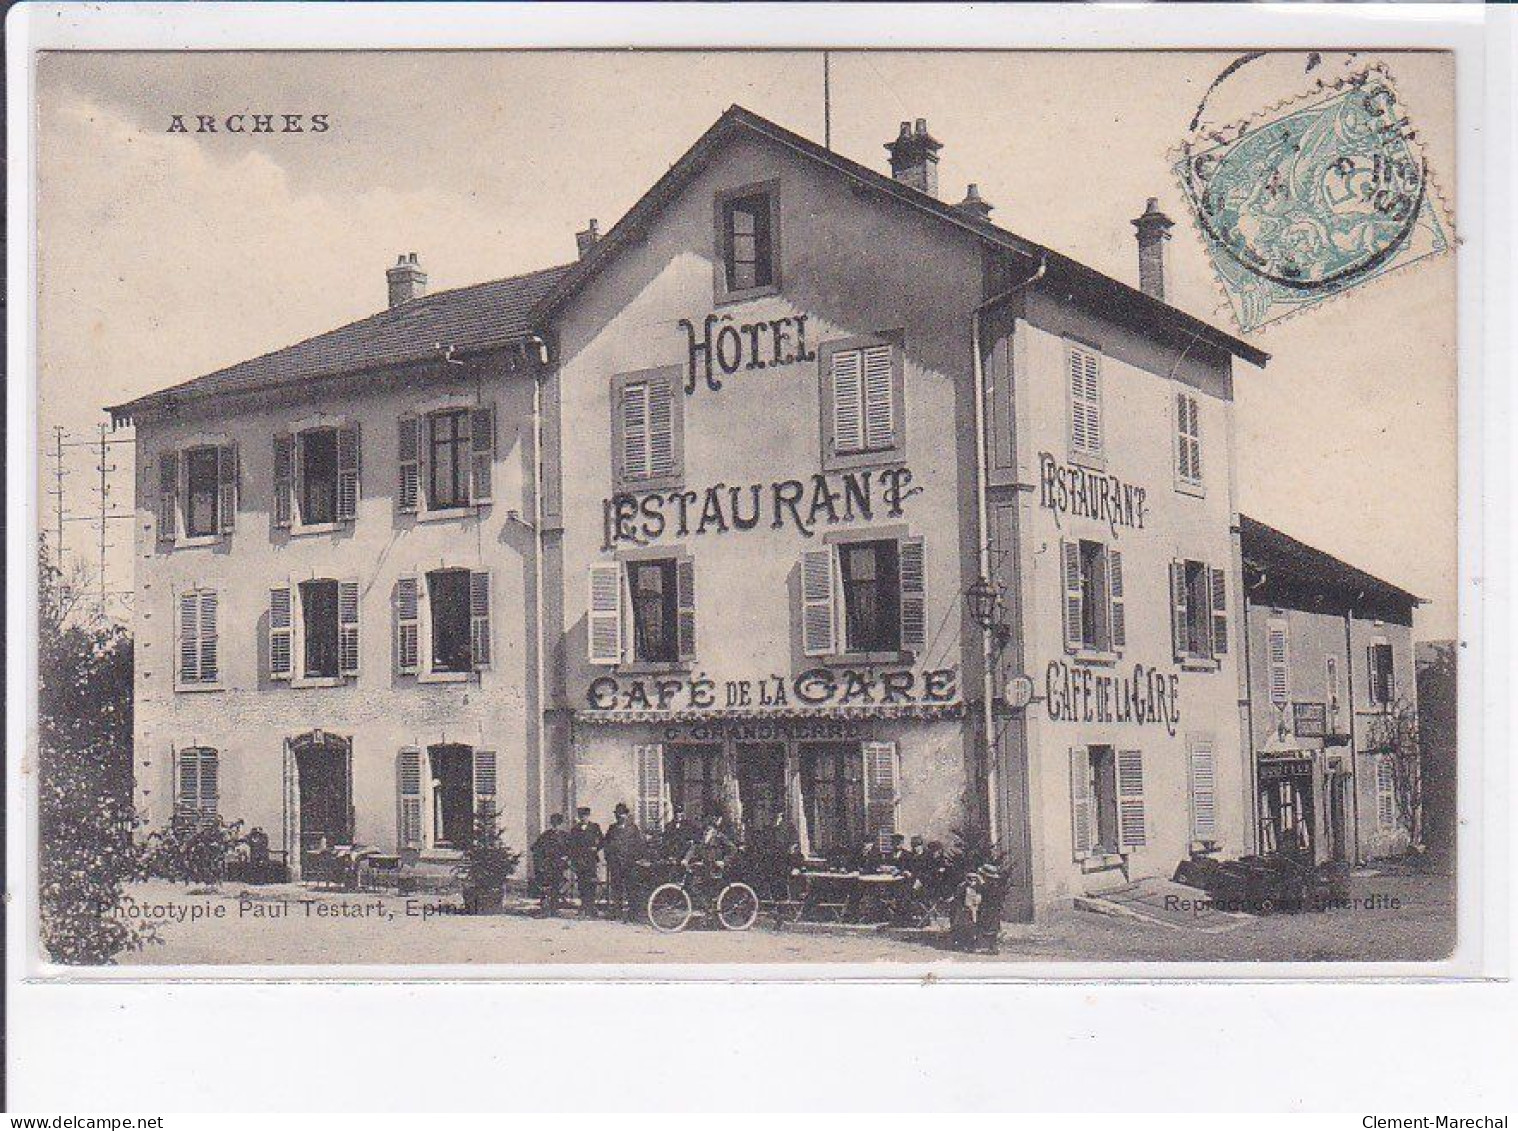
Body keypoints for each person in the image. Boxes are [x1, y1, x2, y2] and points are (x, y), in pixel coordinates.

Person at [600, 802, 645, 923]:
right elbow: (606, 844)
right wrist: (609, 858)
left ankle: (633, 914)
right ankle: (617, 912)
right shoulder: (612, 828)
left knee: (631, 889)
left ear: (626, 815)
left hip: (629, 864)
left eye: (622, 814)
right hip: (615, 864)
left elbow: (639, 845)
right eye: (618, 814)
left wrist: (636, 859)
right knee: (616, 889)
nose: (620, 816)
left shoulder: (633, 828)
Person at [530, 813, 571, 917]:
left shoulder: (565, 836)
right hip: (547, 864)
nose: (555, 826)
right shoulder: (546, 835)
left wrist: (566, 857)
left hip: (559, 865)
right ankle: (545, 909)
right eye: (554, 824)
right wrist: (542, 859)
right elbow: (535, 848)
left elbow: (571, 849)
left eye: (558, 824)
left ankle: (554, 909)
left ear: (561, 824)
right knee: (546, 887)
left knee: (557, 886)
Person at [567, 806, 603, 917]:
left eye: (585, 816)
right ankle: (583, 906)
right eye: (581, 816)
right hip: (579, 859)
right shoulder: (575, 829)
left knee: (591, 883)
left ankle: (591, 907)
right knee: (582, 883)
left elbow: (602, 840)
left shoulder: (595, 827)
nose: (583, 818)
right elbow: (571, 845)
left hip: (591, 859)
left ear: (588, 816)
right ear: (579, 816)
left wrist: (596, 848)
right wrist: (573, 860)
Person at [974, 863, 1009, 955]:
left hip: (988, 909)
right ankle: (992, 947)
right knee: (992, 927)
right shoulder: (995, 885)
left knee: (986, 926)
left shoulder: (988, 886)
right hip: (993, 910)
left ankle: (986, 947)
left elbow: (982, 892)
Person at [948, 869, 983, 952]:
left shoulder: (978, 887)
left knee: (971, 927)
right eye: (970, 878)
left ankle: (970, 944)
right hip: (963, 909)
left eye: (974, 879)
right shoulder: (962, 886)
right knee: (960, 926)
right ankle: (959, 943)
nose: (972, 881)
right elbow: (957, 896)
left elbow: (978, 898)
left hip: (973, 909)